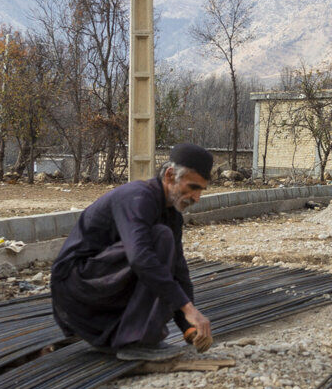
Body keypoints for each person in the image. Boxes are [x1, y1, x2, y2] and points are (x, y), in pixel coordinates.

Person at [50, 143, 214, 361]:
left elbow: (179, 271)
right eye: (193, 187)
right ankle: (135, 341)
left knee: (164, 246)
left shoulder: (171, 215)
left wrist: (188, 326)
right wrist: (187, 308)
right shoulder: (138, 197)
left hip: (103, 289)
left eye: (200, 190)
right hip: (75, 290)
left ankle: (131, 336)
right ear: (170, 175)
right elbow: (140, 257)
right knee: (159, 240)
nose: (196, 198)